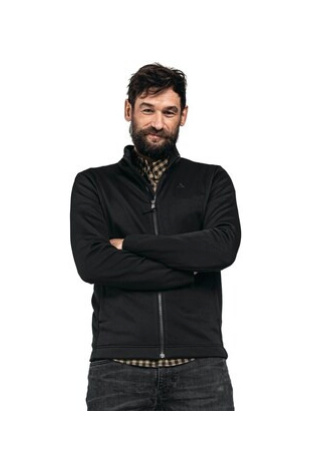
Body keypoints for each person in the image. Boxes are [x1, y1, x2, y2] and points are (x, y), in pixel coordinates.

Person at [70, 63, 241, 411]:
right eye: (148, 110)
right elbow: (93, 263)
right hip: (117, 370)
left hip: (200, 369)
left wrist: (130, 244)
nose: (158, 123)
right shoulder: (93, 184)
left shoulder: (212, 180)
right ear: (128, 110)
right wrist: (190, 270)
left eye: (169, 112)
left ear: (184, 115)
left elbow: (222, 249)